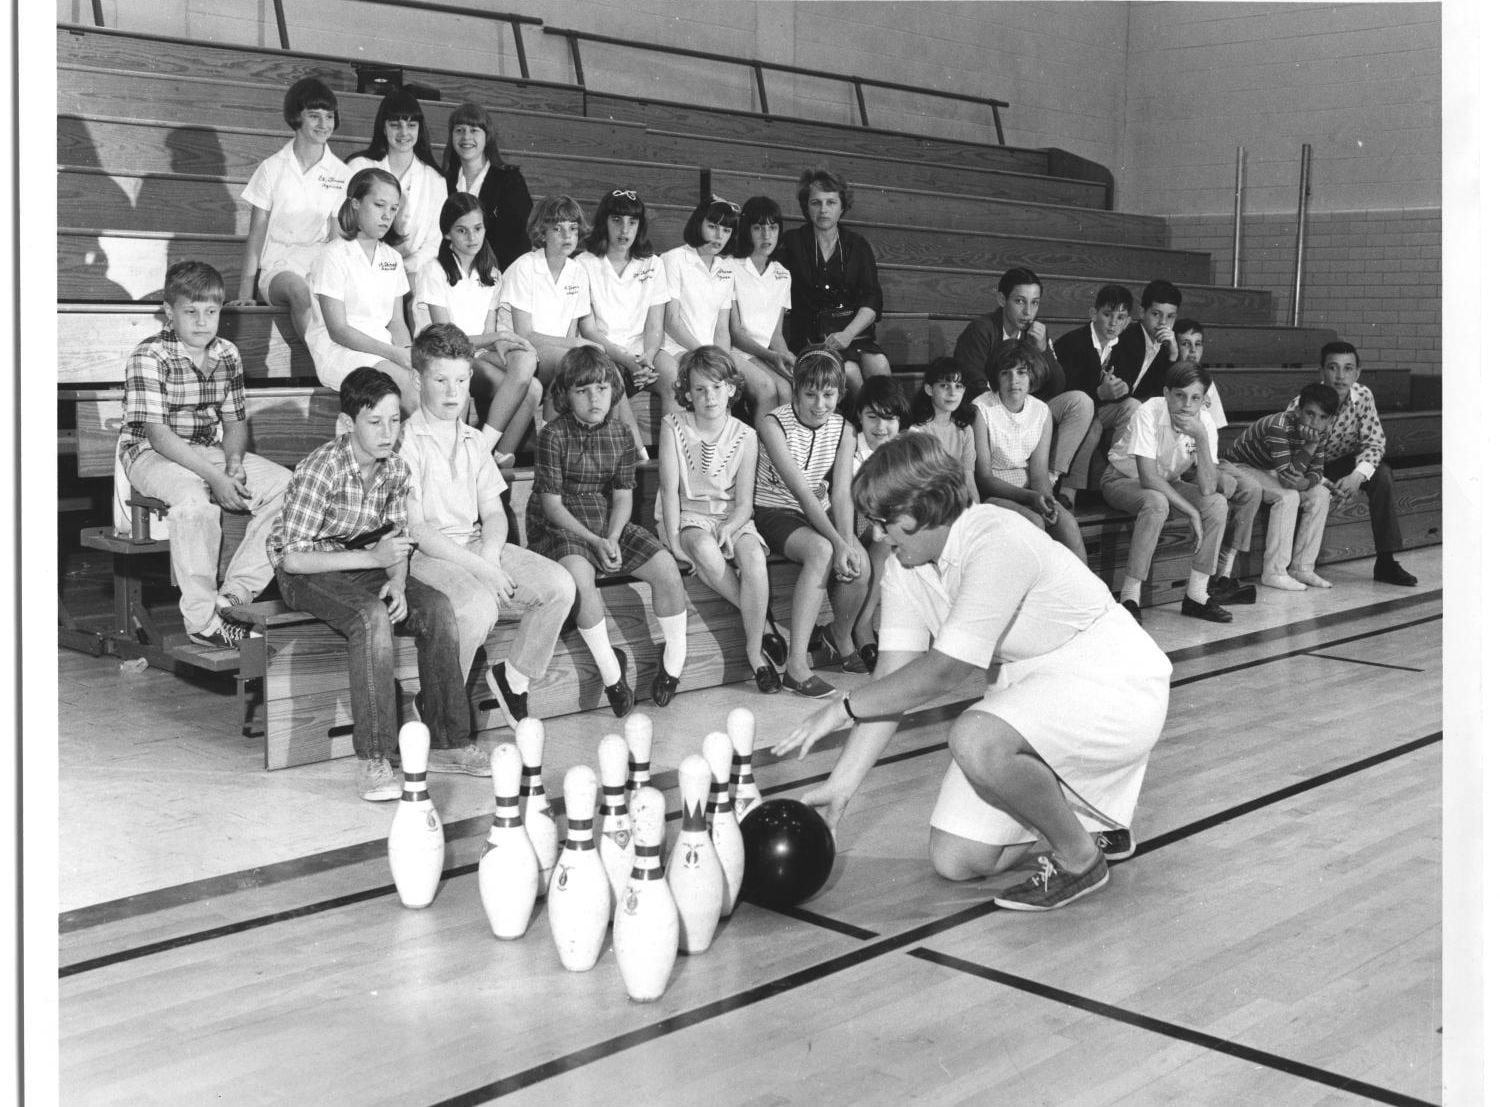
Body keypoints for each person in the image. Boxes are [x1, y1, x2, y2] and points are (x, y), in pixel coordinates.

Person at [775, 434, 1169, 912]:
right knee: (956, 859)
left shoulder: (996, 537)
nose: (878, 536)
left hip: (1113, 682)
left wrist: (843, 707)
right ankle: (1090, 819)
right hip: (1038, 690)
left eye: (886, 521)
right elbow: (892, 685)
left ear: (929, 504)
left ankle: (1079, 858)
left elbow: (946, 672)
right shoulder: (906, 568)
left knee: (976, 736)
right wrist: (842, 785)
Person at [268, 367, 478, 802]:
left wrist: (398, 582)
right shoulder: (321, 469)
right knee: (370, 616)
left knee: (437, 608)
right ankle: (375, 759)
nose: (388, 433)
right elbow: (292, 557)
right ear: (347, 425)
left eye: (395, 421)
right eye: (374, 422)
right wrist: (373, 560)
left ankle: (448, 743)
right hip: (304, 571)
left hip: (363, 561)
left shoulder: (395, 470)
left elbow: (396, 543)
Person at [399, 324, 576, 729]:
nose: (452, 392)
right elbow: (419, 530)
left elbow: (494, 514)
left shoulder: (474, 440)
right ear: (416, 379)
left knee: (560, 586)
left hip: (477, 544)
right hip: (426, 556)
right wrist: (482, 569)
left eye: (461, 380)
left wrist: (491, 556)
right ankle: (438, 708)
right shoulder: (405, 441)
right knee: (478, 607)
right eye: (440, 380)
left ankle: (513, 679)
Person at [119, 260, 291, 648]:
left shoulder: (227, 353)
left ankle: (234, 596)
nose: (202, 322)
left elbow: (234, 423)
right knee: (194, 501)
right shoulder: (149, 355)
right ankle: (201, 622)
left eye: (211, 312)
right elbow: (158, 436)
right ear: (169, 312)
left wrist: (232, 463)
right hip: (147, 453)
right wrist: (215, 478)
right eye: (190, 312)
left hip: (206, 448)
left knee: (289, 487)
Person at [525, 347, 690, 713]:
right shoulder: (553, 435)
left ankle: (673, 665)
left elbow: (622, 497)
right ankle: (612, 673)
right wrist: (595, 541)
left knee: (665, 568)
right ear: (566, 395)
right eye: (582, 391)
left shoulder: (619, 435)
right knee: (580, 579)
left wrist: (613, 536)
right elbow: (552, 505)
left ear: (612, 391)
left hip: (604, 517)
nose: (593, 398)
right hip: (560, 519)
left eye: (600, 389)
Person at [657, 347, 781, 694]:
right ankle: (763, 624)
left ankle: (754, 652)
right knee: (706, 552)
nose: (708, 396)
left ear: (731, 388)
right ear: (687, 393)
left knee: (755, 558)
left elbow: (744, 505)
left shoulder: (746, 435)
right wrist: (673, 540)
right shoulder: (673, 425)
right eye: (699, 389)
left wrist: (730, 527)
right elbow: (668, 491)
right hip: (689, 514)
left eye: (716, 387)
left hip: (731, 516)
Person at [1099, 361, 1256, 623]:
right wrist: (1191, 511)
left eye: (1195, 398)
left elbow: (1207, 486)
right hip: (1122, 480)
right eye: (1180, 395)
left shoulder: (1203, 422)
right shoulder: (1148, 411)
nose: (1186, 404)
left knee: (1217, 503)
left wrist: (1202, 438)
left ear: (1204, 401)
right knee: (1157, 503)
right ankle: (1129, 597)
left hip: (1167, 483)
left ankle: (1196, 595)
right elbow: (1148, 477)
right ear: (1166, 393)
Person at [754, 349, 870, 697]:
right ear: (796, 390)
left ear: (840, 394)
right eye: (810, 393)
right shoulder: (773, 423)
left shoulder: (844, 428)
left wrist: (847, 543)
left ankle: (840, 636)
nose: (820, 404)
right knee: (822, 550)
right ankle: (796, 666)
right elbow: (802, 492)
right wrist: (836, 543)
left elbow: (842, 492)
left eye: (829, 394)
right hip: (775, 510)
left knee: (859, 563)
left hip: (818, 509)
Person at [413, 193, 541, 463]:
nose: (472, 237)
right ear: (447, 234)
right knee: (527, 385)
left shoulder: (492, 274)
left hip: (475, 354)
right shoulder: (433, 270)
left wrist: (511, 342)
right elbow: (445, 339)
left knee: (533, 382)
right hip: (443, 356)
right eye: (461, 230)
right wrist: (498, 336)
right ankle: (480, 454)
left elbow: (488, 333)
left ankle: (493, 451)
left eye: (477, 228)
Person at [954, 267, 1094, 507]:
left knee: (1081, 402)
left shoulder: (1035, 333)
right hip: (988, 413)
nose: (1028, 312)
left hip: (1025, 407)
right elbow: (974, 384)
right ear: (1002, 299)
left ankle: (1048, 478)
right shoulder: (982, 329)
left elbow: (1058, 385)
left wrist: (1043, 352)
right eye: (1020, 301)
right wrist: (1012, 411)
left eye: (1035, 303)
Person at [228, 77, 349, 338]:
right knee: (300, 292)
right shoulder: (271, 168)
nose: (323, 124)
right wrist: (245, 294)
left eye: (329, 117)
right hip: (278, 269)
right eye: (314, 116)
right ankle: (325, 361)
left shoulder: (342, 173)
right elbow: (257, 235)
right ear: (296, 117)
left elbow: (336, 239)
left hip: (319, 268)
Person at [1297, 341, 1418, 586]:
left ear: (1357, 372)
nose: (1340, 376)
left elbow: (1374, 443)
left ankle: (1386, 562)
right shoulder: (1304, 402)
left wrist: (1357, 477)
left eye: (1348, 368)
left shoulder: (1362, 395)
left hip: (1343, 462)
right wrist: (1323, 481)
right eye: (1333, 368)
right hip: (1309, 465)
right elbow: (1294, 458)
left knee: (1382, 475)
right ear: (1322, 371)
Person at [304, 168, 416, 410]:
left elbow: (396, 322)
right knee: (408, 388)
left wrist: (408, 353)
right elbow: (339, 330)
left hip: (384, 351)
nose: (387, 216)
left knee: (432, 382)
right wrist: (394, 354)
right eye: (379, 205)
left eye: (394, 208)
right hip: (341, 351)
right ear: (355, 203)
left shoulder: (393, 258)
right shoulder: (332, 255)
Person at [774, 167, 892, 391]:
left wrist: (847, 334)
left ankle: (887, 421)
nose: (823, 210)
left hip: (852, 336)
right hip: (811, 339)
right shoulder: (792, 243)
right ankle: (860, 423)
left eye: (831, 202)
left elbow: (872, 298)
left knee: (879, 364)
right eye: (816, 203)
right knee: (850, 372)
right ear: (806, 207)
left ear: (842, 207)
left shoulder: (857, 245)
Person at [972, 340, 1087, 561]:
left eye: (1021, 372)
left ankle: (1090, 594)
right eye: (1006, 373)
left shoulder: (1041, 411)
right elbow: (984, 478)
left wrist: (1046, 500)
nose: (1014, 381)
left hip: (1030, 491)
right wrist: (1031, 498)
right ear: (995, 377)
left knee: (1068, 523)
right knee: (1034, 522)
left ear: (1032, 376)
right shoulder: (981, 409)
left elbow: (1039, 474)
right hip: (994, 494)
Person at [574, 187, 665, 457]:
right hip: (605, 351)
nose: (625, 230)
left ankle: (675, 460)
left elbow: (654, 326)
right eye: (617, 220)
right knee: (611, 378)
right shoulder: (584, 263)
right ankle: (630, 456)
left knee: (674, 379)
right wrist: (627, 359)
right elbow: (588, 329)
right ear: (604, 222)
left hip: (644, 353)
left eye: (632, 222)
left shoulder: (652, 263)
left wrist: (648, 356)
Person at [1223, 383, 1339, 590]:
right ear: (1297, 410)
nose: (1315, 422)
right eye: (1310, 414)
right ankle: (1274, 572)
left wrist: (1305, 482)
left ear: (1330, 419)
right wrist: (1310, 446)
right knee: (1288, 496)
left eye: (1323, 417)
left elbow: (1317, 471)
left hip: (1270, 470)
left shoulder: (1322, 431)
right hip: (1241, 467)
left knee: (1321, 494)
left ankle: (1302, 568)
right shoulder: (1280, 426)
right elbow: (1287, 481)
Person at [1174, 317, 1257, 604]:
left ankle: (1225, 573)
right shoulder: (1173, 383)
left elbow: (1213, 434)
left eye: (1197, 345)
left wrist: (1216, 468)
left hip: (1206, 456)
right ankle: (1206, 576)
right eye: (1185, 344)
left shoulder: (1208, 384)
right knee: (1225, 487)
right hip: (1182, 460)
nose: (1192, 351)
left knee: (1252, 488)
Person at [345, 88, 446, 281]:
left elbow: (434, 243)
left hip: (411, 271)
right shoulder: (359, 167)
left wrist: (404, 266)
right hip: (360, 267)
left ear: (420, 129)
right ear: (383, 128)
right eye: (395, 125)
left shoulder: (436, 180)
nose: (404, 133)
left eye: (411, 125)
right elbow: (345, 224)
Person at [1052, 284, 1139, 503]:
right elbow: (1065, 389)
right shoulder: (1073, 342)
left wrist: (1123, 387)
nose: (1113, 323)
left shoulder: (1125, 345)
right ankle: (1067, 491)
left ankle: (1119, 478)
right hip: (1071, 411)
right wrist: (1099, 392)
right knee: (1093, 424)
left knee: (1133, 406)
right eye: (1107, 315)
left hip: (1100, 408)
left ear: (1128, 321)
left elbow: (1127, 379)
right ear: (1093, 313)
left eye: (1121, 318)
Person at [657, 196, 740, 414]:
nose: (719, 236)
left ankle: (717, 447)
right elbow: (672, 322)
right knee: (680, 382)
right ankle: (677, 447)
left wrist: (720, 361)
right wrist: (704, 354)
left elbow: (722, 329)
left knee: (723, 384)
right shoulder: (674, 259)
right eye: (712, 227)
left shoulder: (727, 268)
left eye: (726, 230)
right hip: (675, 348)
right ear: (698, 224)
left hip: (707, 351)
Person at [847, 376, 907, 672]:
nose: (881, 428)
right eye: (872, 417)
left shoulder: (901, 448)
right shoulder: (851, 446)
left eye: (889, 418)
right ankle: (863, 627)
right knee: (886, 543)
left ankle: (875, 624)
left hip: (885, 524)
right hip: (853, 521)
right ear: (859, 416)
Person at [727, 195, 797, 421]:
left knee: (789, 389)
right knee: (767, 388)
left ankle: (780, 452)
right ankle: (761, 453)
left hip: (765, 354)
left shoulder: (782, 274)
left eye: (773, 228)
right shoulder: (730, 267)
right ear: (747, 230)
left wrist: (787, 357)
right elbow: (735, 334)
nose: (767, 236)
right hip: (736, 352)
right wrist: (772, 356)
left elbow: (775, 335)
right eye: (758, 228)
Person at [443, 102, 532, 273]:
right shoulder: (443, 181)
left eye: (474, 130)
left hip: (497, 274)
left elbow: (516, 240)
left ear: (487, 137)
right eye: (459, 130)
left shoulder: (510, 180)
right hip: (451, 274)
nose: (466, 137)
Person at [907, 356, 979, 506]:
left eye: (958, 386)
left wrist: (976, 510)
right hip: (929, 503)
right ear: (929, 389)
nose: (952, 393)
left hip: (958, 501)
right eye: (945, 386)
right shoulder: (917, 432)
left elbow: (969, 479)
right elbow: (919, 484)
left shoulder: (965, 430)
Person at [1113, 279, 1184, 400]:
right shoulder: (1127, 338)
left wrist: (1173, 355)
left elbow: (1167, 392)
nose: (1163, 322)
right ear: (1142, 312)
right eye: (1156, 314)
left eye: (1170, 317)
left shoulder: (1169, 346)